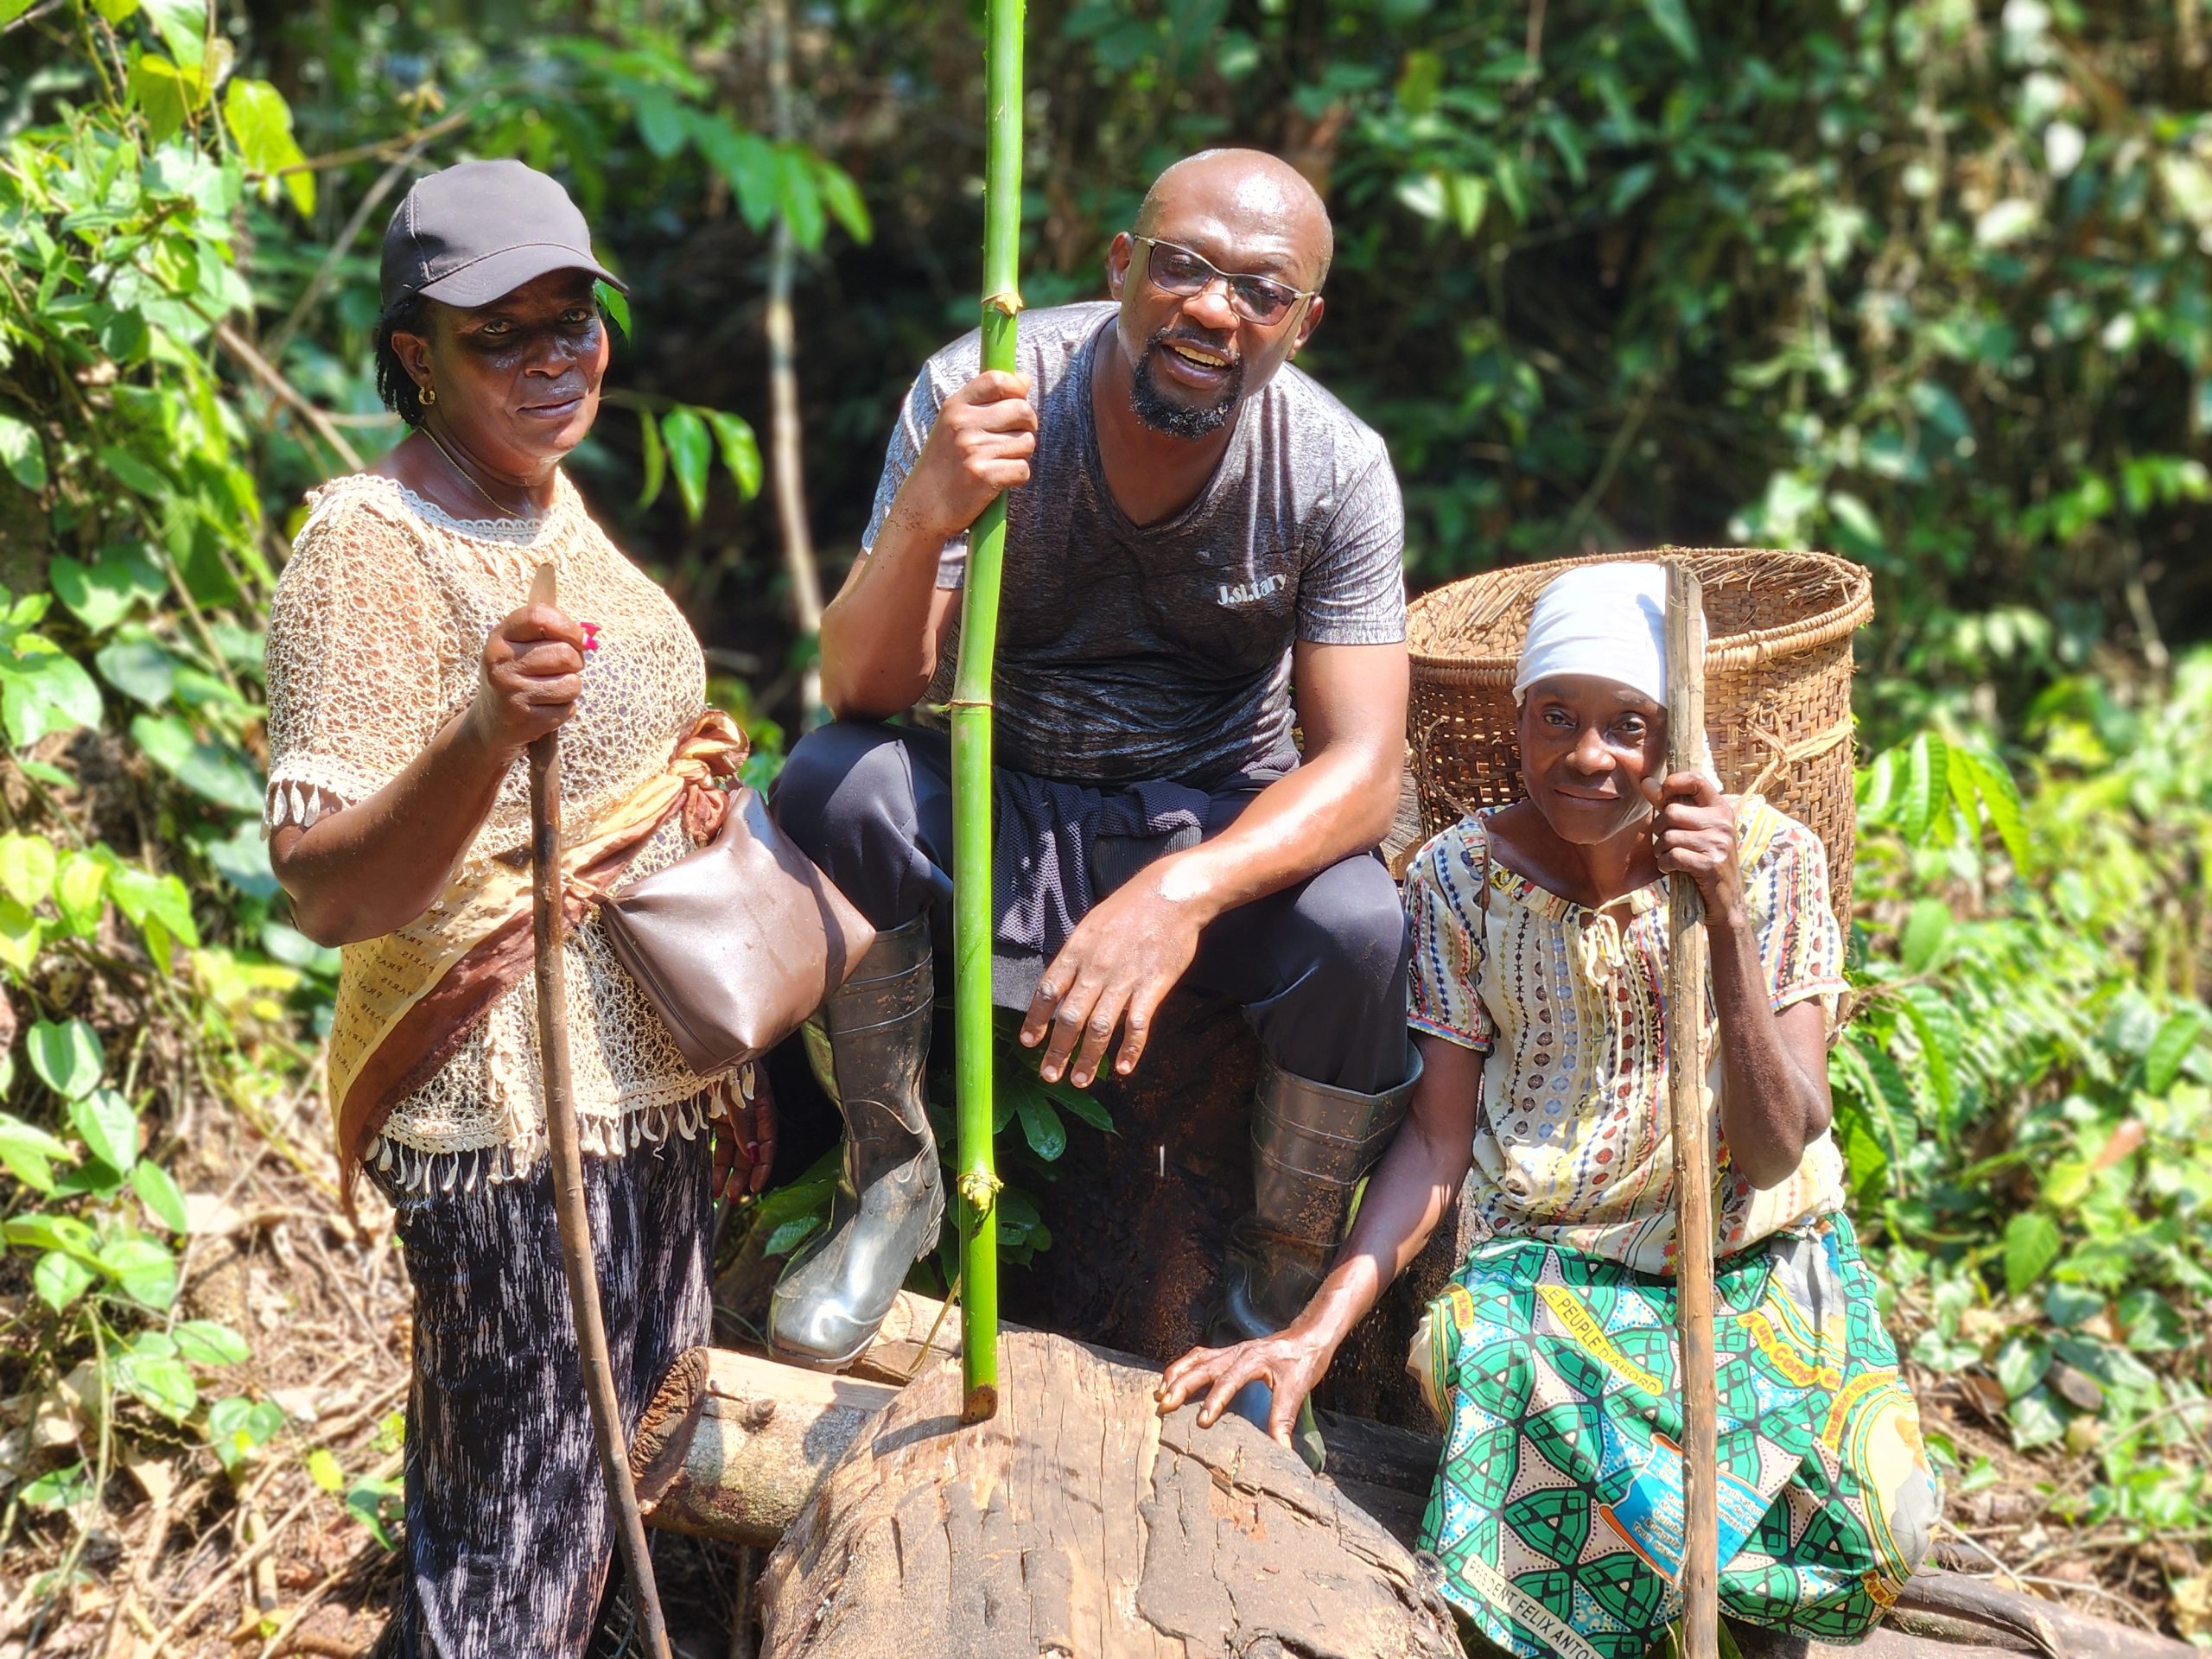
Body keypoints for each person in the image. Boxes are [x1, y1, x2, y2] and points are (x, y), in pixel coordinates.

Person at [1158, 564, 1939, 1659]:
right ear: (1517, 722)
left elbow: (1770, 1151)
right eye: (1558, 717)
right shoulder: (1459, 881)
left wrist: (1717, 921)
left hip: (1755, 1262)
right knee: (1501, 1391)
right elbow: (1435, 1144)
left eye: (1632, 726)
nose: (1589, 754)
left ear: (1680, 741)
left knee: (1879, 1527)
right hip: (1556, 1275)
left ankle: (1706, 1604)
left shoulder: (1768, 862)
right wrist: (1308, 1336)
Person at [766, 149, 1421, 1412]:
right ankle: (890, 1184)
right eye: (1183, 266)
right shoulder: (990, 392)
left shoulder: (1334, 467)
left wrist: (1181, 895)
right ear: (1122, 267)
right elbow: (860, 691)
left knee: (1360, 925)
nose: (1214, 309)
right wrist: (925, 516)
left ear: (1304, 322)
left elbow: (1363, 768)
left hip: (1203, 817)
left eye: (1261, 290)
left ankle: (1269, 1292)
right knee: (832, 788)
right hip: (993, 788)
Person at [264, 160, 770, 1657]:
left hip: (644, 1098)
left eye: (578, 323)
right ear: (416, 358)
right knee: (513, 1555)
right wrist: (479, 734)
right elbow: (324, 888)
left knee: (617, 1525)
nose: (556, 360)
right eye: (505, 336)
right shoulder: (371, 542)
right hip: (512, 1116)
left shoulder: (550, 505)